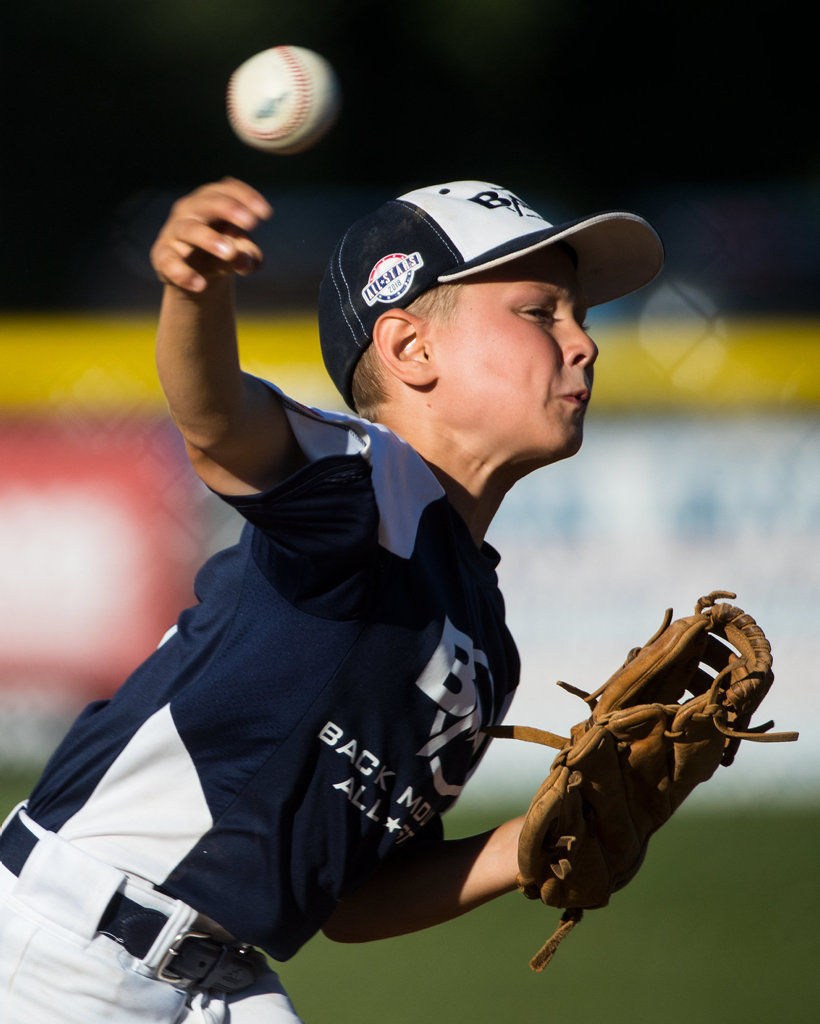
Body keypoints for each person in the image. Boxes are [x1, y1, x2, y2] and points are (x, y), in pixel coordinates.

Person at [0, 177, 663, 1023]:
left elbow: (352, 900)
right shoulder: (368, 486)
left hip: (216, 982)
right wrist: (193, 292)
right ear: (410, 348)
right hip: (65, 952)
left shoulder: (485, 642)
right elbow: (219, 427)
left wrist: (532, 837)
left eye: (580, 317)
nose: (584, 344)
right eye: (541, 312)